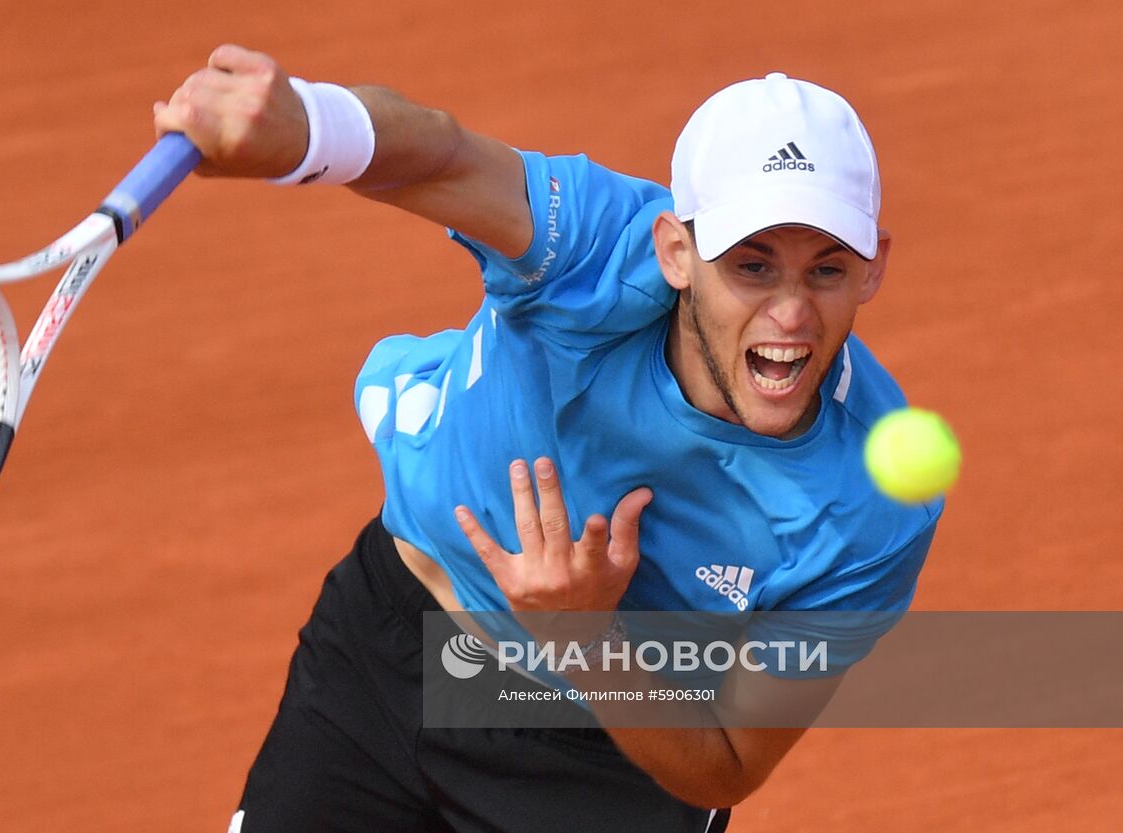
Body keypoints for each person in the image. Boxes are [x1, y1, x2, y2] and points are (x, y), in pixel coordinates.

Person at [153, 45, 942, 833]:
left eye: (828, 270)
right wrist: (308, 127)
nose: (792, 314)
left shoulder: (871, 508)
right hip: (391, 651)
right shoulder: (595, 247)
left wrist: (587, 639)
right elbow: (439, 155)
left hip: (609, 764)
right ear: (674, 251)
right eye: (753, 265)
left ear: (874, 269)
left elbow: (729, 762)